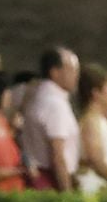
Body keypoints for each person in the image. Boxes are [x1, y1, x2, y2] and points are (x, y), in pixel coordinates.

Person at [21, 47, 80, 191]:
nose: (76, 75)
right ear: (55, 72)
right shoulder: (54, 104)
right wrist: (67, 193)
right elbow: (58, 155)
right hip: (51, 182)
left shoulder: (40, 97)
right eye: (72, 69)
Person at [74, 64, 107, 195]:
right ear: (96, 93)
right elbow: (95, 158)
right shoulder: (91, 121)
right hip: (94, 185)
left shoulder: (102, 121)